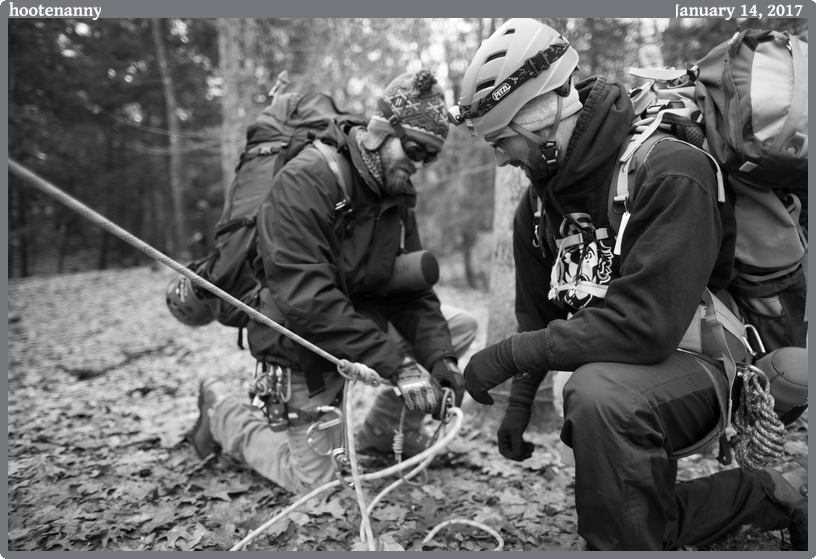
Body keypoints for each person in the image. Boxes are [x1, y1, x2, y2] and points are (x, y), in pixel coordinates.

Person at [452, 19, 807, 551]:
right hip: (636, 363)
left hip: (713, 359)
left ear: (542, 111)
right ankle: (771, 497)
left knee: (600, 396)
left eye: (502, 140)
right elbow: (537, 310)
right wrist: (519, 403)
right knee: (636, 513)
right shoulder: (540, 201)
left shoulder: (671, 169)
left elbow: (645, 325)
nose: (500, 158)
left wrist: (507, 357)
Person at [189, 68, 477, 495]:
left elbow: (413, 293)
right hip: (297, 343)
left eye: (429, 157)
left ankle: (382, 435)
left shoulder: (396, 197)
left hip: (354, 327)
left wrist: (441, 361)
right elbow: (306, 299)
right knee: (317, 489)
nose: (418, 166)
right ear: (380, 131)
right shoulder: (307, 180)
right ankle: (221, 411)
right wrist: (397, 365)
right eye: (414, 149)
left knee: (455, 329)